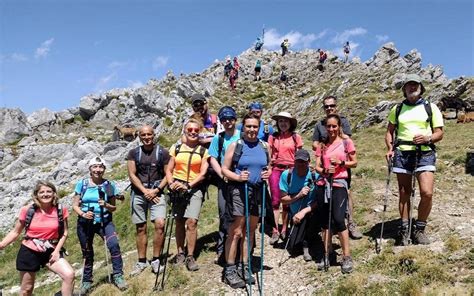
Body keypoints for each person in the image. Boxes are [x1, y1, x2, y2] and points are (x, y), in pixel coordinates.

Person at [385, 73, 444, 245]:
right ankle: (404, 228)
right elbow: (389, 132)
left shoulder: (430, 107)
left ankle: (419, 228)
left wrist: (428, 138)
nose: (412, 87)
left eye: (415, 85)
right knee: (404, 193)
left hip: (425, 153)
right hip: (402, 153)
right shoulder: (397, 109)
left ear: (420, 88)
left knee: (427, 192)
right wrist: (390, 149)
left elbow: (439, 133)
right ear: (404, 89)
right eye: (409, 85)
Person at [221, 113, 272, 289]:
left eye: (255, 127)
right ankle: (230, 269)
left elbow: (268, 165)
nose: (251, 130)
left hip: (258, 191)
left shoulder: (265, 146)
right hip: (239, 190)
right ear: (243, 128)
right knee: (236, 232)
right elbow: (224, 169)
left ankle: (245, 265)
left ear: (259, 128)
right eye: (248, 126)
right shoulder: (236, 145)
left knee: (250, 231)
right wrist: (237, 176)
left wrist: (268, 173)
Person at [0, 181, 74, 296]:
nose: (46, 194)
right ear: (36, 195)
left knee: (69, 275)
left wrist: (56, 251)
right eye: (42, 192)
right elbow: (16, 232)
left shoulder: (60, 210)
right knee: (27, 290)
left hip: (50, 250)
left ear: (54, 193)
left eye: (49, 191)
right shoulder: (28, 210)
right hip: (29, 251)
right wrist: (1, 245)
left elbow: (64, 232)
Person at [73, 157, 127, 293]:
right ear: (90, 169)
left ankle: (118, 275)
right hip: (85, 222)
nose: (98, 170)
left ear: (104, 169)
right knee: (87, 251)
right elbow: (75, 205)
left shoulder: (109, 185)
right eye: (95, 167)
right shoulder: (82, 184)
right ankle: (86, 281)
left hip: (105, 221)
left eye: (101, 167)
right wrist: (83, 214)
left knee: (113, 244)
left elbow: (113, 208)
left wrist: (106, 204)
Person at [312, 96, 363, 239]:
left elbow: (346, 138)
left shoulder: (343, 121)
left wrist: (334, 148)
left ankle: (350, 223)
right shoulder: (319, 125)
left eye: (331, 105)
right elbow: (315, 143)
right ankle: (333, 224)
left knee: (346, 191)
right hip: (325, 165)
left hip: (341, 166)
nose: (329, 108)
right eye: (326, 106)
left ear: (336, 106)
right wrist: (323, 148)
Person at [314, 114, 358, 274]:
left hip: (339, 183)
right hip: (323, 184)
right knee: (325, 221)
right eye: (329, 126)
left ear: (339, 126)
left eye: (334, 126)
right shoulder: (322, 144)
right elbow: (317, 166)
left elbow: (355, 162)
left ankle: (346, 256)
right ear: (325, 127)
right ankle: (328, 253)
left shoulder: (346, 142)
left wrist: (342, 163)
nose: (331, 129)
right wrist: (325, 170)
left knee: (339, 219)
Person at [166, 118, 210, 271]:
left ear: (199, 132)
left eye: (196, 130)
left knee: (191, 221)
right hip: (177, 187)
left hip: (194, 188)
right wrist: (171, 184)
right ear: (185, 131)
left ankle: (190, 256)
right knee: (179, 221)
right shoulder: (176, 148)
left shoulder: (203, 151)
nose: (192, 132)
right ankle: (180, 253)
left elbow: (203, 173)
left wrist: (189, 185)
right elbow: (168, 169)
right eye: (189, 130)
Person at [126, 125, 170, 277]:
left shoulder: (163, 152)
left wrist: (156, 190)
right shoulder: (133, 153)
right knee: (140, 228)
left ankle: (156, 260)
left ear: (154, 135)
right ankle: (141, 261)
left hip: (157, 193)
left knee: (160, 224)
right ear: (139, 136)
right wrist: (146, 192)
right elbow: (132, 174)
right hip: (139, 193)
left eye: (149, 134)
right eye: (143, 135)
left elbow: (167, 174)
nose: (146, 137)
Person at [208, 106, 240, 264]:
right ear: (221, 121)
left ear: (235, 119)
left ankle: (240, 249)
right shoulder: (218, 138)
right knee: (224, 213)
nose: (228, 121)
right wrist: (222, 174)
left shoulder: (242, 135)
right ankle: (222, 249)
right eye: (224, 119)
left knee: (241, 214)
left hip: (241, 179)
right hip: (224, 181)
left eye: (230, 118)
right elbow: (212, 158)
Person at [267, 112, 303, 245]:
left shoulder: (295, 137)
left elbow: (299, 155)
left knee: (287, 200)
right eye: (280, 121)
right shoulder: (273, 137)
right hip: (276, 169)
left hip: (290, 170)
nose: (283, 123)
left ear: (290, 123)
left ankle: (284, 229)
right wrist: (269, 167)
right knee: (275, 200)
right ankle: (275, 230)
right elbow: (269, 155)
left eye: (286, 121)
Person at [280, 149, 319, 261]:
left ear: (309, 162)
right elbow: (283, 200)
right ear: (294, 161)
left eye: (304, 162)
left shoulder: (314, 175)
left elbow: (320, 200)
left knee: (311, 220)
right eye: (298, 161)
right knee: (294, 248)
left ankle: (307, 244)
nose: (301, 164)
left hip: (311, 211)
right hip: (295, 213)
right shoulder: (287, 175)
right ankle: (302, 240)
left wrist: (305, 211)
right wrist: (299, 195)